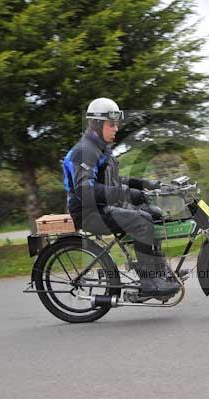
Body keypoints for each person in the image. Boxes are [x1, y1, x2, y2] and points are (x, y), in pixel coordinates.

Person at [63, 98, 180, 297]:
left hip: (103, 206)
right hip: (88, 212)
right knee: (142, 221)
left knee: (154, 213)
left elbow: (116, 179)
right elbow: (85, 190)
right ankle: (149, 283)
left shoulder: (101, 148)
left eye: (117, 124)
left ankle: (160, 272)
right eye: (112, 124)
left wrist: (144, 184)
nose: (116, 128)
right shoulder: (85, 151)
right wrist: (126, 193)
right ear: (97, 124)